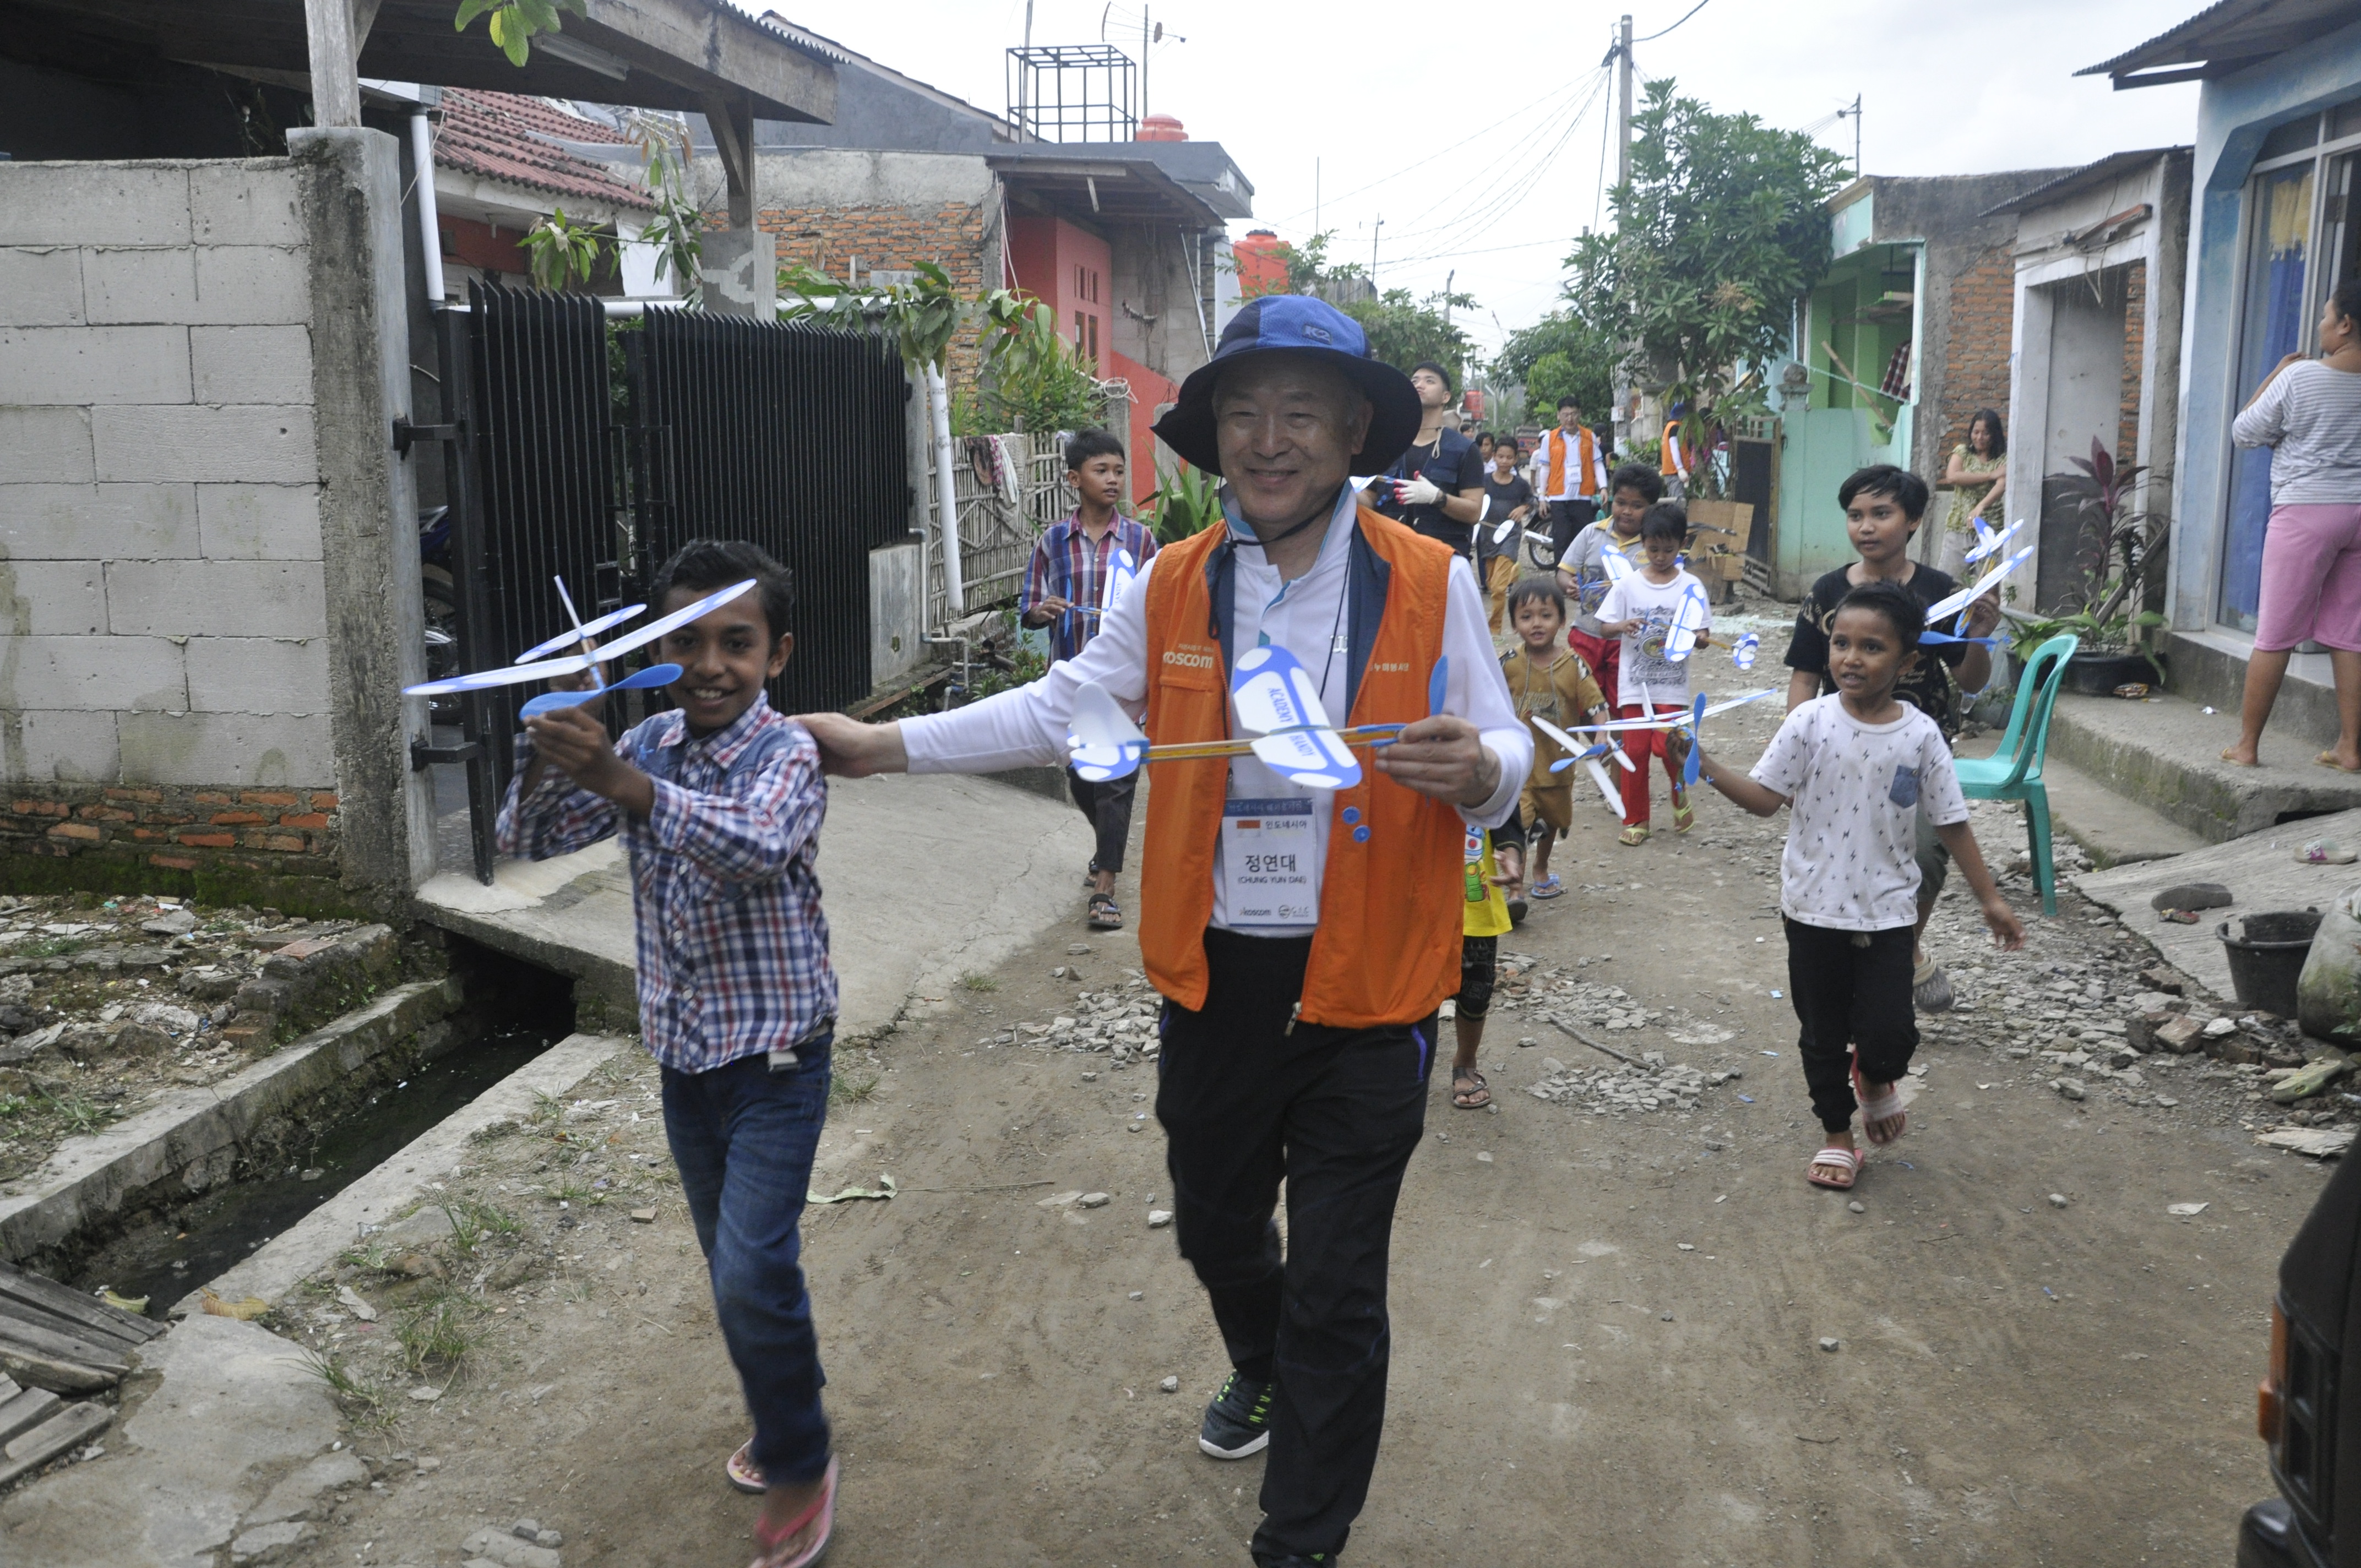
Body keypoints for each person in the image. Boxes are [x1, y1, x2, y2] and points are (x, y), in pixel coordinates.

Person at [798, 294, 1531, 1568]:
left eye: (1298, 411)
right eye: (1243, 412)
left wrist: (1476, 771)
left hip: (1370, 983)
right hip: (1217, 974)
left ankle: (1296, 1540)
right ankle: (1256, 1358)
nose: (1268, 437)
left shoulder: (1431, 578)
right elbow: (1066, 705)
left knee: (1339, 1289)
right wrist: (882, 745)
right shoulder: (1170, 580)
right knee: (1213, 1219)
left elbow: (1509, 745)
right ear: (1214, 439)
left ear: (1351, 428)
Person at [497, 540, 841, 1568]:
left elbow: (754, 847)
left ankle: (800, 1458)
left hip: (779, 1055)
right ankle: (791, 1403)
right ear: (653, 650)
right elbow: (532, 836)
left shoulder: (787, 754)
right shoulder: (643, 736)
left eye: (735, 642)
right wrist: (558, 740)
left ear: (776, 654)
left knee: (747, 1270)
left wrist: (621, 779)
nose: (708, 663)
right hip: (686, 1063)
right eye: (683, 639)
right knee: (738, 1266)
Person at [1670, 581, 2023, 1190]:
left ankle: (1878, 1076)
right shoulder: (1808, 722)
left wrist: (1989, 896)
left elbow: (1950, 820)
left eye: (1871, 647)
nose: (1850, 658)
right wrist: (1703, 764)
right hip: (1811, 908)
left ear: (1908, 661)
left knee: (1890, 1031)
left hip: (1888, 911)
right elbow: (1764, 801)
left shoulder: (1920, 736)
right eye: (1840, 643)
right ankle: (1837, 1134)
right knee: (1821, 1033)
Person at [1782, 465, 2001, 1014]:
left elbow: (1971, 680)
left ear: (1913, 521)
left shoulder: (1940, 592)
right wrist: (1795, 754)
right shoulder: (1827, 592)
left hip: (1917, 757)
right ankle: (1863, 954)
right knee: (1845, 855)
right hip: (1840, 755)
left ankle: (1900, 947)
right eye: (1856, 515)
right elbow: (1805, 676)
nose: (1867, 526)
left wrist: (1977, 634)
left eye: (1881, 514)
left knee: (1925, 855)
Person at [1019, 427, 1161, 930]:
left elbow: (1161, 607)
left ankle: (1105, 888)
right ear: (1074, 479)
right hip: (1072, 680)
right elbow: (1029, 608)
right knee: (1082, 779)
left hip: (1123, 688)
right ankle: (1105, 845)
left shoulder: (1143, 541)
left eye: (1119, 471)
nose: (1113, 480)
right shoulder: (1053, 541)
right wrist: (1043, 610)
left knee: (1117, 781)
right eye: (1102, 471)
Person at [2226, 277, 2361, 773]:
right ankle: (2350, 748)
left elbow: (2244, 432)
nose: (2322, 326)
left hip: (2306, 511)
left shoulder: (2301, 378)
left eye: (2327, 317)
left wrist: (2275, 374)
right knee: (2350, 636)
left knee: (2276, 632)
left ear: (2345, 325)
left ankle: (2247, 746)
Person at [1596, 502, 1709, 844]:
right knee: (1635, 754)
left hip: (1672, 688)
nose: (1661, 556)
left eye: (1669, 549)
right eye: (1654, 548)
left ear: (1681, 546)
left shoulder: (1692, 587)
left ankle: (1680, 798)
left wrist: (1698, 638)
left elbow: (1703, 635)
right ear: (1643, 544)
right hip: (1634, 686)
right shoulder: (1628, 585)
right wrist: (1622, 625)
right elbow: (1603, 628)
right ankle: (1636, 821)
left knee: (1668, 748)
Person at [1499, 575, 1609, 900]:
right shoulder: (1507, 664)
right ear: (1515, 623)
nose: (1537, 624)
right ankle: (1515, 889)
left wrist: (1602, 734)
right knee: (1518, 825)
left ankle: (1541, 868)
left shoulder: (1573, 665)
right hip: (1519, 770)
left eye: (1546, 616)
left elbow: (1596, 706)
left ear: (1562, 621)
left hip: (1559, 768)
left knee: (1551, 823)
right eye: (1526, 616)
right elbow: (1487, 700)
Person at [1557, 462, 1660, 715]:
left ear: (1651, 508)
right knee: (1581, 700)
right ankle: (1594, 748)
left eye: (1637, 506)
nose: (1627, 511)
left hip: (1626, 641)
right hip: (1587, 633)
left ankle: (1613, 752)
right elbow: (1563, 571)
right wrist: (1568, 584)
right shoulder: (1592, 533)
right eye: (1621, 502)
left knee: (1618, 703)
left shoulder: (1654, 546)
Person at [1367, 360, 1486, 552]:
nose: (1419, 385)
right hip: (1388, 555)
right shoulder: (1389, 444)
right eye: (1414, 381)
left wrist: (1438, 498)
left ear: (1445, 397)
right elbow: (1370, 496)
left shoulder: (1464, 449)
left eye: (1430, 381)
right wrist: (1346, 494)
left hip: (1440, 560)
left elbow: (1474, 512)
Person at [1447, 809, 1523, 1108]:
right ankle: (1403, 1066)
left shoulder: (1490, 761)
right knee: (1414, 989)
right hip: (1414, 895)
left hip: (1474, 899)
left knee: (1476, 989)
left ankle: (1465, 1061)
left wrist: (1511, 853)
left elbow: (1506, 816)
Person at [1529, 396, 1611, 563]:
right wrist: (1542, 497)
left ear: (1580, 414)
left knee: (1581, 538)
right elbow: (1545, 468)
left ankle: (1579, 577)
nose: (1570, 418)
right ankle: (1561, 577)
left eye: (1573, 414)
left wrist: (1603, 487)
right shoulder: (1550, 439)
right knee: (1561, 539)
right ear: (1559, 415)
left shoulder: (1590, 437)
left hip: (1582, 497)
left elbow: (1598, 464)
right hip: (1559, 498)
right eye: (1566, 414)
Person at [1479, 437, 1537, 633]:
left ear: (1515, 460)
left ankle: (1494, 628)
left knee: (1497, 588)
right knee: (1491, 582)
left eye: (1509, 457)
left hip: (1510, 536)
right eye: (1501, 456)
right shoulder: (1484, 481)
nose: (1504, 461)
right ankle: (1514, 572)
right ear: (1494, 456)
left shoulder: (1520, 485)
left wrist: (1523, 508)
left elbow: (1533, 502)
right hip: (1487, 536)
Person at [1939, 408, 2008, 564]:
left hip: (1990, 528)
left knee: (1985, 583)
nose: (1979, 438)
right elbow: (1953, 476)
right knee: (1951, 581)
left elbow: (2002, 484)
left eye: (1986, 433)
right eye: (1976, 432)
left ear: (1995, 435)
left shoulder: (2003, 459)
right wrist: (1989, 476)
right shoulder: (1963, 452)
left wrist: (1981, 506)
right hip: (1959, 525)